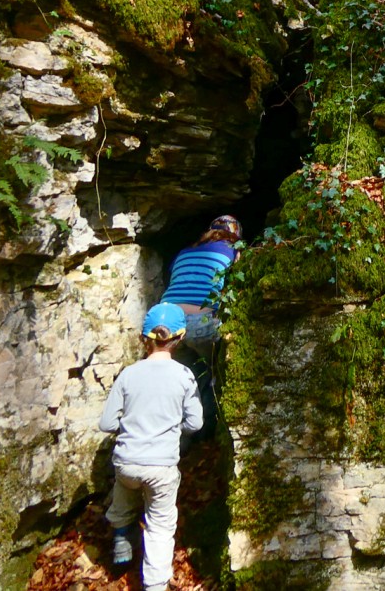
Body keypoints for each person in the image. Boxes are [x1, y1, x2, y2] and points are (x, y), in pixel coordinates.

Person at [98, 302, 203, 591]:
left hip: (127, 462)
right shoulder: (184, 376)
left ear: (144, 338)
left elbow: (107, 423)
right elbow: (195, 423)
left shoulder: (129, 374)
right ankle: (155, 584)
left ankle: (121, 537)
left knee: (125, 484)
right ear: (180, 338)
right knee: (160, 525)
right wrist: (171, 427)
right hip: (161, 467)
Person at [163, 214, 242, 357]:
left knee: (178, 370)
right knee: (210, 369)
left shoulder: (183, 252)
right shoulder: (233, 249)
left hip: (166, 318)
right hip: (201, 320)